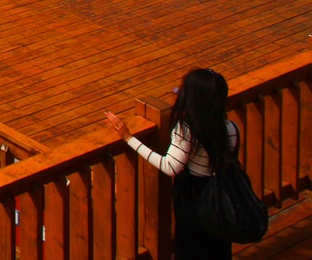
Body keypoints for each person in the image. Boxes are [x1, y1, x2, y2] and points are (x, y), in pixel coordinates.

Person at [103, 68, 240, 260]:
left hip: (195, 200)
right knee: (218, 248)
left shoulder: (186, 129)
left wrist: (129, 138)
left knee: (191, 249)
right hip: (222, 197)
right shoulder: (231, 128)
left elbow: (171, 167)